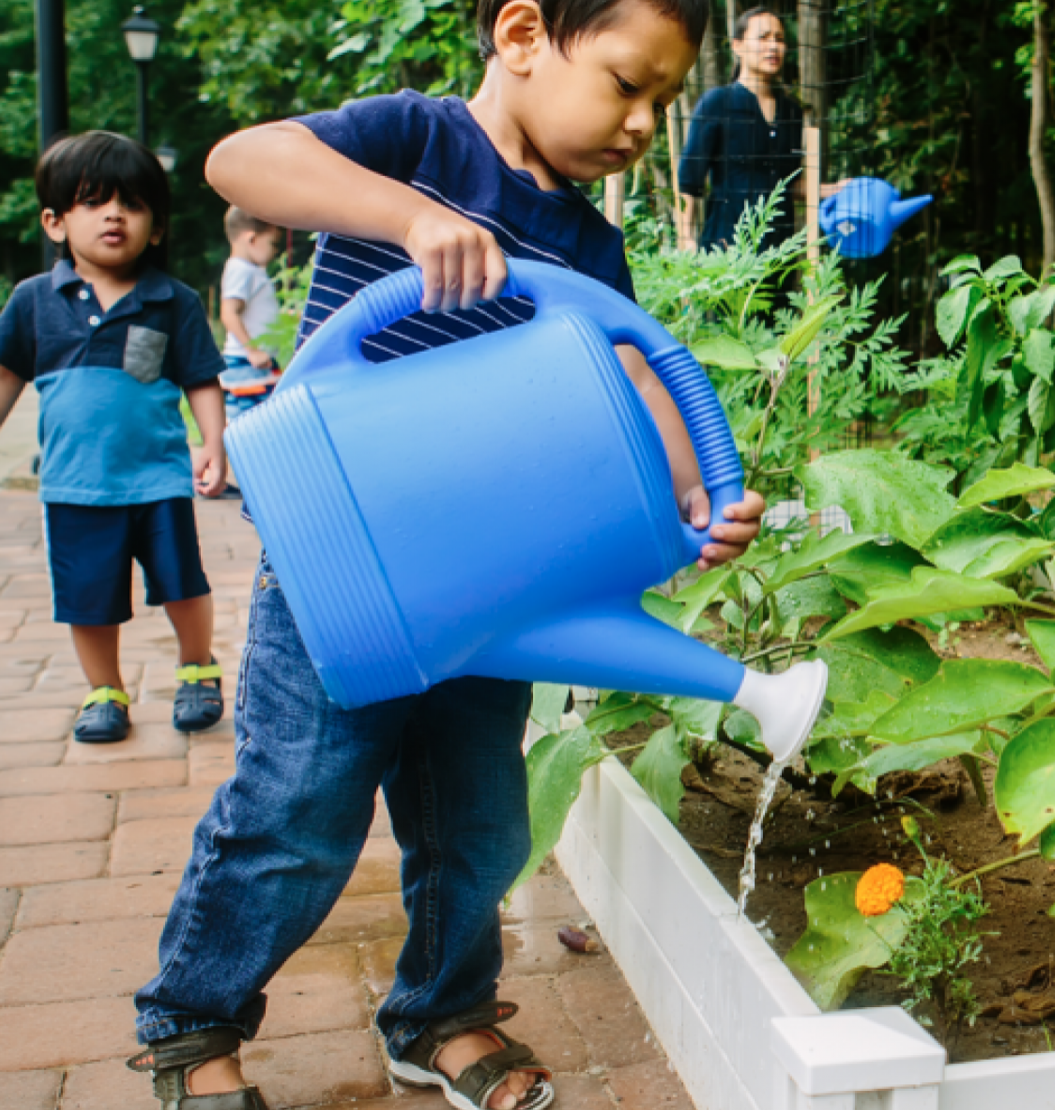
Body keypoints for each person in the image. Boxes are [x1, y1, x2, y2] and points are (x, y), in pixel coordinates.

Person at [127, 2, 768, 1108]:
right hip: (347, 557)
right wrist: (409, 217)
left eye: (662, 101)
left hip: (496, 577)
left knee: (478, 820)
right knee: (300, 806)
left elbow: (641, 377)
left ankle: (442, 1015)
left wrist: (700, 497)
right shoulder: (418, 141)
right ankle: (193, 1022)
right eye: (626, 83)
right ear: (521, 34)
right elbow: (243, 162)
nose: (644, 123)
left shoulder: (586, 241)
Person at [0, 131, 231, 746]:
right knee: (88, 600)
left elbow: (202, 379)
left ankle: (197, 668)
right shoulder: (31, 303)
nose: (115, 215)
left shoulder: (172, 302)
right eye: (94, 201)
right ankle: (104, 690)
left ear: (155, 228)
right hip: (74, 486)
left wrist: (213, 443)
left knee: (183, 584)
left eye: (132, 204)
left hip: (156, 478)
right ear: (55, 222)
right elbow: (7, 375)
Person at [677, 6, 805, 249]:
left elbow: (791, 183)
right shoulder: (716, 103)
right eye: (763, 37)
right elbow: (689, 180)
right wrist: (686, 237)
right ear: (737, 46)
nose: (773, 46)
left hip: (780, 250)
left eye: (779, 39)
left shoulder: (792, 112)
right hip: (726, 245)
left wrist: (842, 188)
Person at [216, 206, 285, 422]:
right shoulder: (241, 269)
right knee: (252, 424)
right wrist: (252, 351)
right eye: (272, 244)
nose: (275, 251)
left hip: (257, 363)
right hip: (248, 363)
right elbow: (229, 313)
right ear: (252, 239)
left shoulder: (251, 270)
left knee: (260, 421)